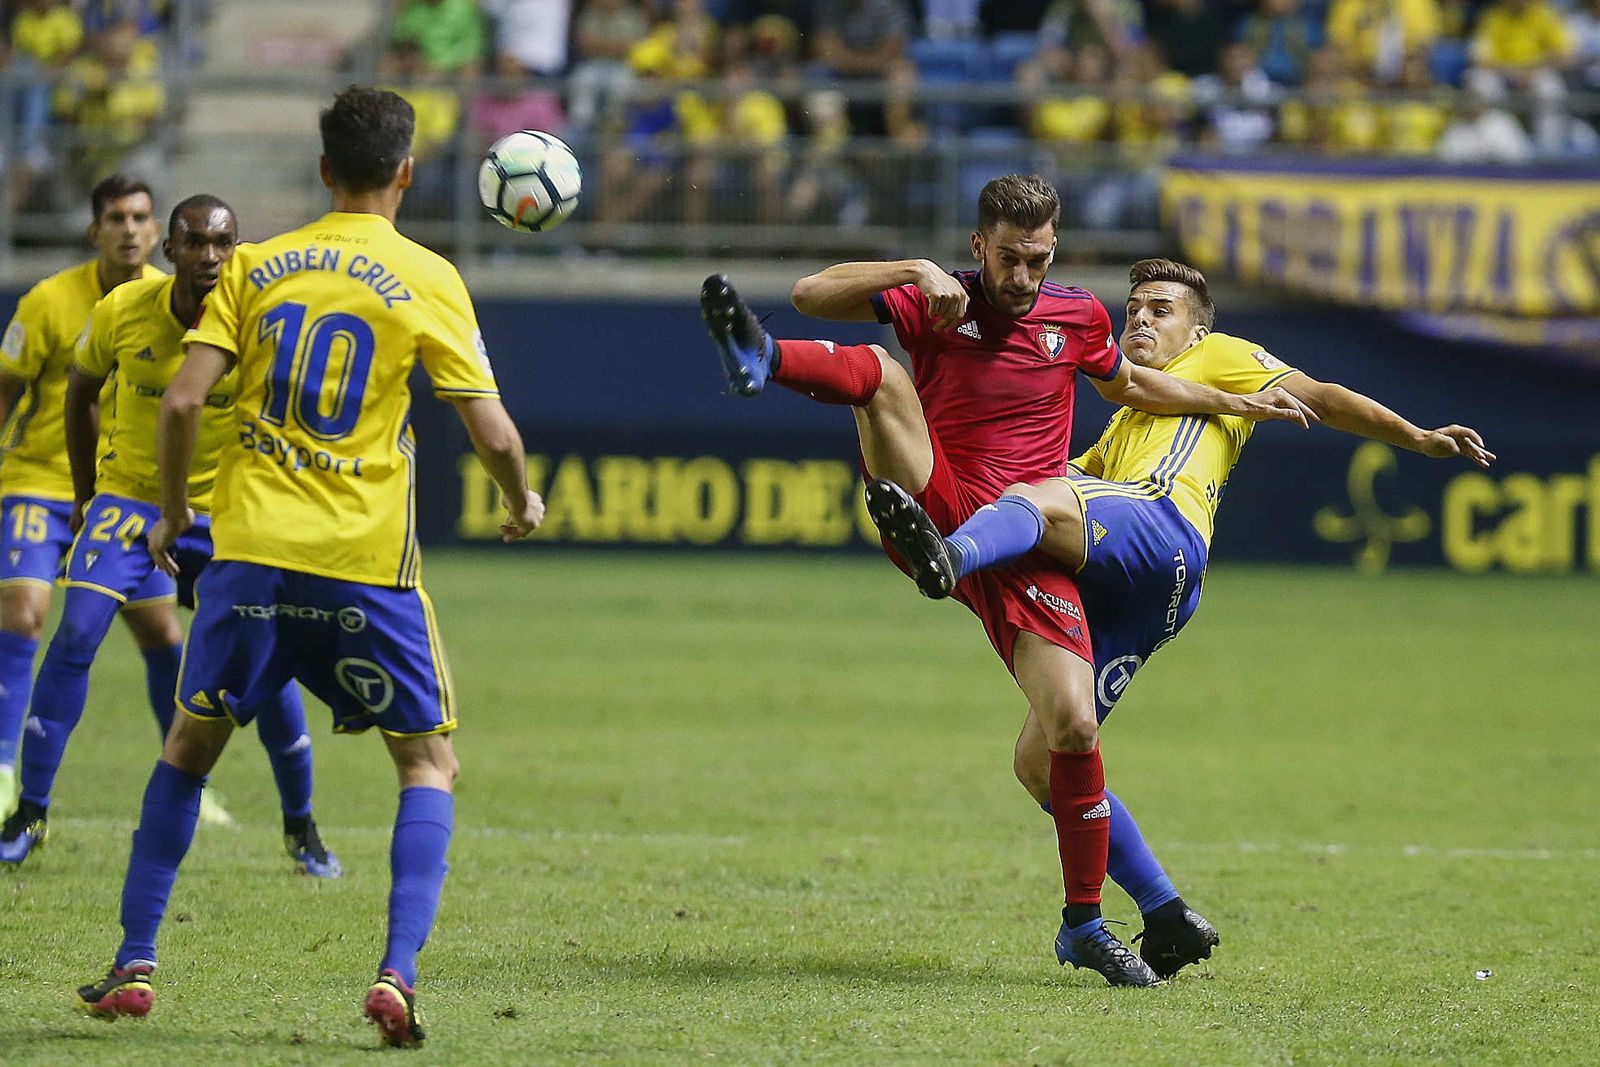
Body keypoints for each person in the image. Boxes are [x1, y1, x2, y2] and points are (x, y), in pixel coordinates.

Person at [699, 175, 1315, 986]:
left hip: (1024, 553)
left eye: (1038, 258)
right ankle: (763, 357)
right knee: (884, 375)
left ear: (1052, 248)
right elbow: (812, 292)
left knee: (1070, 728)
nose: (1021, 276)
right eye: (1008, 258)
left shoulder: (1079, 316)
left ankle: (1084, 924)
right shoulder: (943, 299)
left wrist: (1236, 403)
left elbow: (1129, 385)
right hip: (944, 494)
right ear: (977, 246)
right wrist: (909, 269)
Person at [73, 86, 545, 1049]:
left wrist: (171, 516)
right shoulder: (427, 275)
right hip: (364, 565)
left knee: (187, 749)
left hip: (246, 557)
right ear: (406, 172)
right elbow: (490, 429)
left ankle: (134, 959)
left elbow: (177, 407)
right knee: (427, 763)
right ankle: (396, 975)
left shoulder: (255, 266)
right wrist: (518, 498)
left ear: (324, 168)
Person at [864, 258, 1493, 976]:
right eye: (1133, 308)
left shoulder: (1221, 359)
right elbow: (1068, 479)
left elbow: (1322, 395)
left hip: (1163, 528)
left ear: (1198, 326)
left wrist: (1416, 436)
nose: (1140, 319)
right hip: (1149, 595)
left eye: (1160, 308)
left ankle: (946, 557)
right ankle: (1166, 912)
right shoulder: (1132, 417)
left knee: (1033, 502)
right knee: (1042, 761)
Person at [0, 195, 340, 879]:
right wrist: (88, 495)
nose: (210, 257)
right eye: (195, 243)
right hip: (129, 502)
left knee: (267, 664)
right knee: (73, 634)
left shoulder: (258, 322)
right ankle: (29, 813)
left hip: (226, 510)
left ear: (236, 249)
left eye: (222, 243)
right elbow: (80, 392)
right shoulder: (123, 312)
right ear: (170, 251)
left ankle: (301, 823)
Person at [0, 175, 176, 813]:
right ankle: (2, 773)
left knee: (162, 630)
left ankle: (183, 771)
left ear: (157, 231)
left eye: (140, 217)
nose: (129, 229)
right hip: (39, 481)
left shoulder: (175, 302)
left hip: (123, 494)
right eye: (115, 218)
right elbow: (6, 388)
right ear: (94, 230)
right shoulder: (48, 301)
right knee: (24, 614)